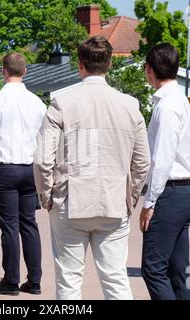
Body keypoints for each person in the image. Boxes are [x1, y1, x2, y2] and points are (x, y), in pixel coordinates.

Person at [34, 36, 150, 300]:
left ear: (80, 64)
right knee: (115, 279)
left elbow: (42, 158)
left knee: (69, 281)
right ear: (109, 63)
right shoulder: (131, 106)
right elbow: (142, 161)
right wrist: (130, 197)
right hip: (113, 201)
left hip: (70, 199)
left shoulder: (62, 102)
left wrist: (47, 195)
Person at [0, 52, 46, 296]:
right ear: (25, 71)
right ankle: (35, 279)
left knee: (9, 226)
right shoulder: (38, 103)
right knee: (29, 223)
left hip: (4, 168)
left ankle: (10, 279)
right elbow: (44, 138)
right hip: (30, 168)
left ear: (3, 72)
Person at [140, 43, 190, 300]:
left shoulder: (166, 106)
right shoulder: (181, 101)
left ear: (149, 69)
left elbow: (161, 159)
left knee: (153, 269)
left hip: (170, 193)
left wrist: (149, 202)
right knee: (179, 270)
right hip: (185, 191)